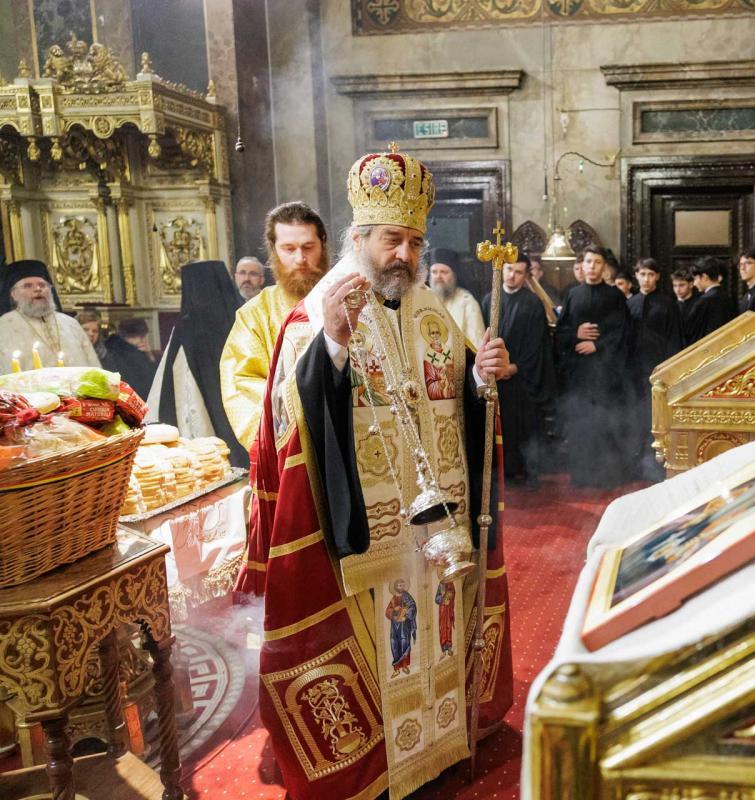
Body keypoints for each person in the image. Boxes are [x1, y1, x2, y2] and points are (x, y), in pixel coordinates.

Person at [235, 148, 514, 800]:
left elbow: (458, 404)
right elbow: (289, 424)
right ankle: (373, 765)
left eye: (414, 242)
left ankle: (438, 744)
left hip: (435, 530)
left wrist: (481, 378)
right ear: (358, 238)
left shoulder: (431, 312)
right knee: (381, 642)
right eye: (392, 239)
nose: (404, 255)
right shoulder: (316, 314)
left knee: (434, 632)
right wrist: (333, 345)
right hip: (362, 536)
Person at [220, 201, 330, 451]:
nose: (300, 259)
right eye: (289, 249)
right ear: (273, 250)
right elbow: (242, 386)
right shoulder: (254, 315)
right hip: (288, 450)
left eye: (308, 247)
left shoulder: (351, 299)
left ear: (323, 244)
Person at [147, 261, 248, 467]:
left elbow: (179, 383)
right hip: (242, 410)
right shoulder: (241, 315)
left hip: (206, 427)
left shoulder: (187, 326)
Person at [557, 245, 633, 488]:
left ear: (604, 266)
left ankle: (606, 476)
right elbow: (560, 332)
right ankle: (582, 475)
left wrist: (597, 345)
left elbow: (624, 333)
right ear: (582, 264)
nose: (592, 266)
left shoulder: (615, 296)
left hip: (605, 373)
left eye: (597, 262)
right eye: (588, 261)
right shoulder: (573, 294)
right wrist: (576, 334)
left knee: (604, 422)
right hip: (579, 372)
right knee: (580, 420)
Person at [483, 252, 555, 486]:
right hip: (495, 378)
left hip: (522, 379)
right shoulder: (489, 300)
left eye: (518, 272)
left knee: (525, 427)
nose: (512, 276)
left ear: (526, 276)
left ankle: (529, 472)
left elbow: (537, 345)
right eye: (509, 269)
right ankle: (506, 473)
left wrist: (514, 367)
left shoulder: (532, 303)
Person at [627, 258, 682, 478]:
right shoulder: (630, 304)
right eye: (642, 274)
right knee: (636, 415)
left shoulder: (668, 304)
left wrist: (668, 368)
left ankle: (658, 465)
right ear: (636, 276)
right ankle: (637, 464)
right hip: (634, 370)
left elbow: (674, 338)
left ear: (657, 276)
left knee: (658, 416)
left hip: (659, 369)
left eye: (650, 274)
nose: (646, 279)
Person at [0, 260, 100, 371]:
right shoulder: (5, 326)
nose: (38, 289)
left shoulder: (70, 323)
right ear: (14, 294)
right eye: (28, 286)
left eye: (42, 285)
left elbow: (93, 363)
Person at [428, 248, 486, 348]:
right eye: (434, 272)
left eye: (444, 272)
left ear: (454, 275)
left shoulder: (467, 302)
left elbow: (477, 346)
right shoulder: (424, 298)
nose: (438, 276)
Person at [100, 318, 158, 400]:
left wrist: (149, 354)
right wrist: (148, 357)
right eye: (142, 336)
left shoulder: (111, 349)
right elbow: (154, 382)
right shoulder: (131, 354)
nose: (144, 340)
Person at [685, 257, 736, 344]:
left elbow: (690, 330)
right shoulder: (727, 297)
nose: (694, 284)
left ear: (705, 277)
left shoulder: (704, 301)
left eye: (695, 279)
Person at [672, 268, 699, 339]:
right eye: (675, 286)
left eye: (681, 285)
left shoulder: (699, 304)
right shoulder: (670, 306)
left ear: (691, 284)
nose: (677, 289)